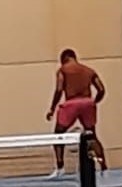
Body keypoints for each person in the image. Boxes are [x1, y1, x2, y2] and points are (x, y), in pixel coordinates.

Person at [46, 48, 108, 177]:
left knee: (58, 135)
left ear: (63, 59)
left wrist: (52, 108)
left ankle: (60, 167)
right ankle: (104, 168)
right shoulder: (88, 71)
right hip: (87, 103)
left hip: (71, 103)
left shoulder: (63, 70)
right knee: (92, 136)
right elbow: (101, 89)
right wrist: (94, 102)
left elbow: (59, 89)